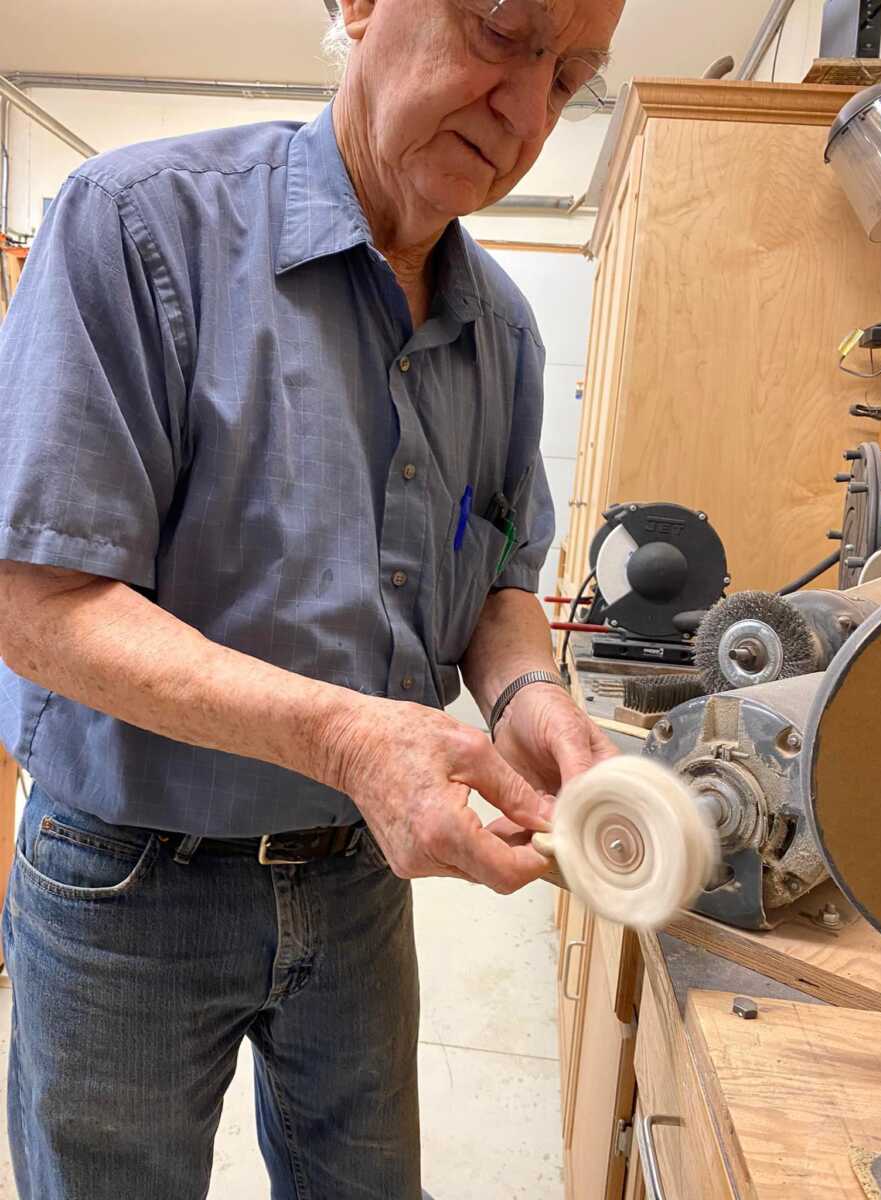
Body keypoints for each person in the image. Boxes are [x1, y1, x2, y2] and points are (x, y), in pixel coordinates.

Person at [0, 0, 624, 1196]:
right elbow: (38, 606)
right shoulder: (138, 228)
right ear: (357, 5)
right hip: (128, 877)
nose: (530, 110)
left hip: (356, 882)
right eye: (503, 29)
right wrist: (349, 738)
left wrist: (528, 691)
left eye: (574, 76)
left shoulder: (503, 335)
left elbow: (494, 578)